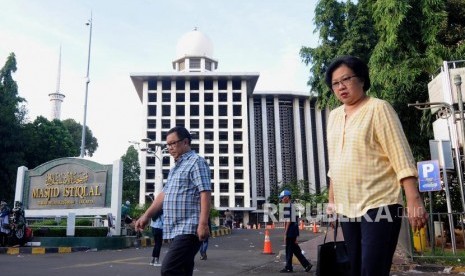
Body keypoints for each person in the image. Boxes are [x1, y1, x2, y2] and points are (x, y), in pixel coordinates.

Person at [324, 55, 428, 276]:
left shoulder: (379, 108)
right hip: (346, 207)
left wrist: (413, 198)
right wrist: (331, 203)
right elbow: (335, 164)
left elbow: (400, 154)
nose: (341, 87)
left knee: (372, 269)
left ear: (361, 79)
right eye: (335, 83)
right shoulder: (333, 117)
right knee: (355, 269)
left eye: (346, 79)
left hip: (379, 203)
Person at [135, 126, 211, 276]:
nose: (169, 148)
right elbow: (164, 195)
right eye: (167, 145)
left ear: (185, 142)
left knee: (169, 269)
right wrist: (146, 216)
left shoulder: (196, 162)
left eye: (173, 143)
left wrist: (203, 224)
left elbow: (205, 192)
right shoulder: (175, 168)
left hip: (190, 227)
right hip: (177, 229)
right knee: (183, 270)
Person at [278, 190, 312, 273]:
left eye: (282, 198)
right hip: (293, 231)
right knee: (295, 250)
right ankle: (307, 264)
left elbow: (289, 220)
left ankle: (288, 267)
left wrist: (285, 234)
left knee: (289, 250)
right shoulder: (292, 206)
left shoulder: (288, 206)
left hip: (290, 231)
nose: (281, 200)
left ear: (287, 197)